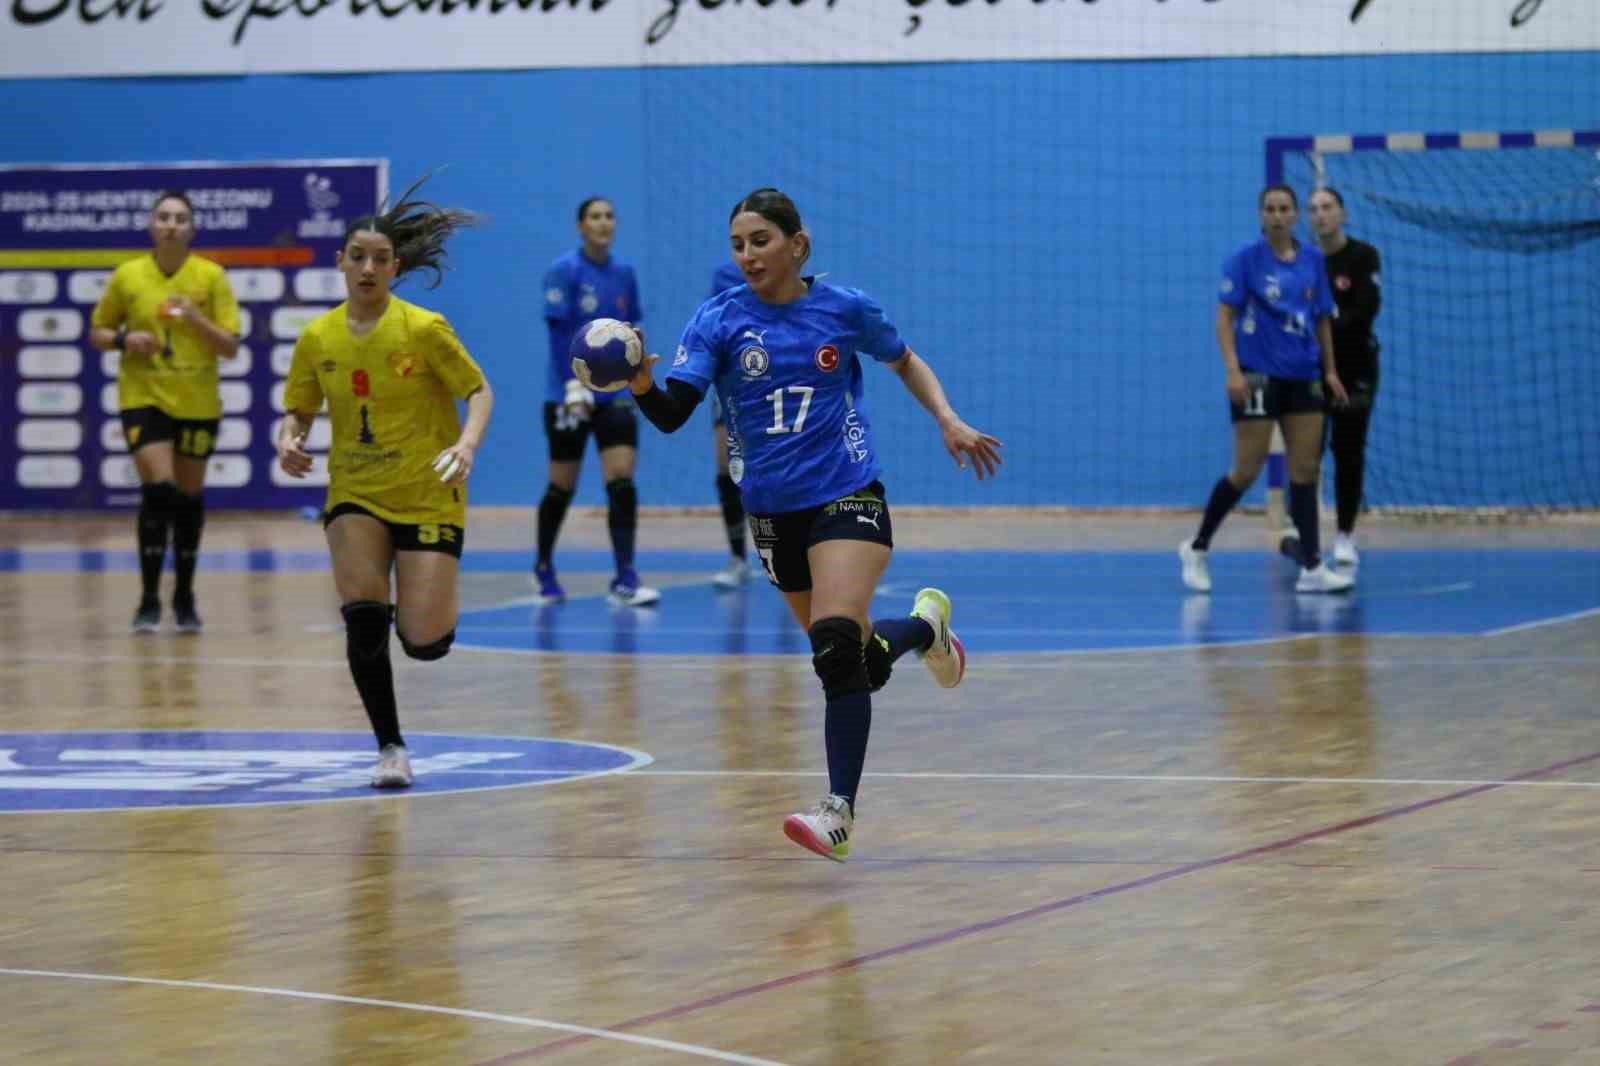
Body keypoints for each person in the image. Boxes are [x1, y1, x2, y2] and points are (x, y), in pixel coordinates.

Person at [629, 188, 1003, 861]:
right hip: (773, 513)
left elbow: (904, 359)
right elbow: (671, 412)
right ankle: (926, 629)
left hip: (848, 492)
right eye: (738, 245)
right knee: (856, 663)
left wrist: (947, 418)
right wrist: (636, 383)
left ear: (797, 244)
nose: (748, 255)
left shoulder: (844, 308)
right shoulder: (718, 320)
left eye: (761, 241)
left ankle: (838, 813)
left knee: (831, 644)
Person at [276, 178, 493, 789]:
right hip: (356, 490)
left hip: (427, 491)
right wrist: (289, 439)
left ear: (396, 267)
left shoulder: (424, 329)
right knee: (364, 617)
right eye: (358, 257)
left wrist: (466, 444)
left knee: (423, 641)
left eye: (379, 258)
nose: (368, 268)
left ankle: (428, 614)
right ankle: (390, 747)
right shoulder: (318, 338)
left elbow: (478, 390)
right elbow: (299, 409)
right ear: (341, 263)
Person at [1179, 184, 1354, 595]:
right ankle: (1197, 547)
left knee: (1305, 470)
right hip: (1258, 376)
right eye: (1270, 209)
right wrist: (1233, 371)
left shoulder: (1313, 260)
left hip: (1304, 375)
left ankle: (1313, 566)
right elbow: (1225, 318)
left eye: (1284, 208)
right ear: (1261, 215)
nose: (1277, 215)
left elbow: (1322, 318)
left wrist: (1330, 370)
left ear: (1295, 216)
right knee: (1246, 470)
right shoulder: (1244, 261)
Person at [89, 190, 241, 633]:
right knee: (158, 490)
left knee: (189, 499)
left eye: (180, 218)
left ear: (192, 229)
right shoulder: (128, 275)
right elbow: (98, 331)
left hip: (197, 401)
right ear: (152, 225)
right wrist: (124, 340)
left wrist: (195, 318)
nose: (171, 225)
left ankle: (185, 595)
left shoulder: (210, 277)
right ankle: (149, 598)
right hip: (143, 396)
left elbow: (230, 346)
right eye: (164, 217)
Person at [532, 197, 658, 607]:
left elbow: (632, 327)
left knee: (621, 480)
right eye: (595, 217)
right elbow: (557, 334)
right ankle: (543, 567)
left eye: (609, 216)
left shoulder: (625, 273)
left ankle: (625, 576)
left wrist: (637, 368)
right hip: (567, 395)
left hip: (615, 394)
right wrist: (572, 385)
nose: (604, 223)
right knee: (561, 485)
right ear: (581, 226)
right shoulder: (564, 270)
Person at [1308, 187, 1382, 567]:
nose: (1320, 215)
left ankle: (1345, 535)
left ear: (1342, 214)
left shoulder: (1363, 256)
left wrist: (1325, 323)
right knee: (1307, 453)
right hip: (1312, 371)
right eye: (1313, 209)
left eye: (1327, 207)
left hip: (1355, 370)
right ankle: (1304, 532)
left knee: (1348, 452)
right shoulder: (1304, 261)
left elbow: (1365, 311)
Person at [707, 258, 752, 588]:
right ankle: (738, 558)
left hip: (780, 383)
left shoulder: (791, 277)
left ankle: (799, 552)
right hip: (734, 384)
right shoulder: (726, 274)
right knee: (727, 467)